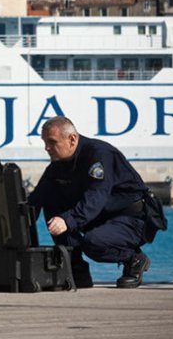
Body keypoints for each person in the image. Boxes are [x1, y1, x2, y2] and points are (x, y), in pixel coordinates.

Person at [27, 116, 151, 289]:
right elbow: (36, 199)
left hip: (131, 218)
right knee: (51, 200)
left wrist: (68, 220)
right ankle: (76, 270)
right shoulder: (58, 165)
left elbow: (96, 196)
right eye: (45, 142)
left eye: (52, 142)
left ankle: (134, 259)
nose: (47, 148)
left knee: (93, 243)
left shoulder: (99, 154)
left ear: (71, 139)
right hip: (100, 217)